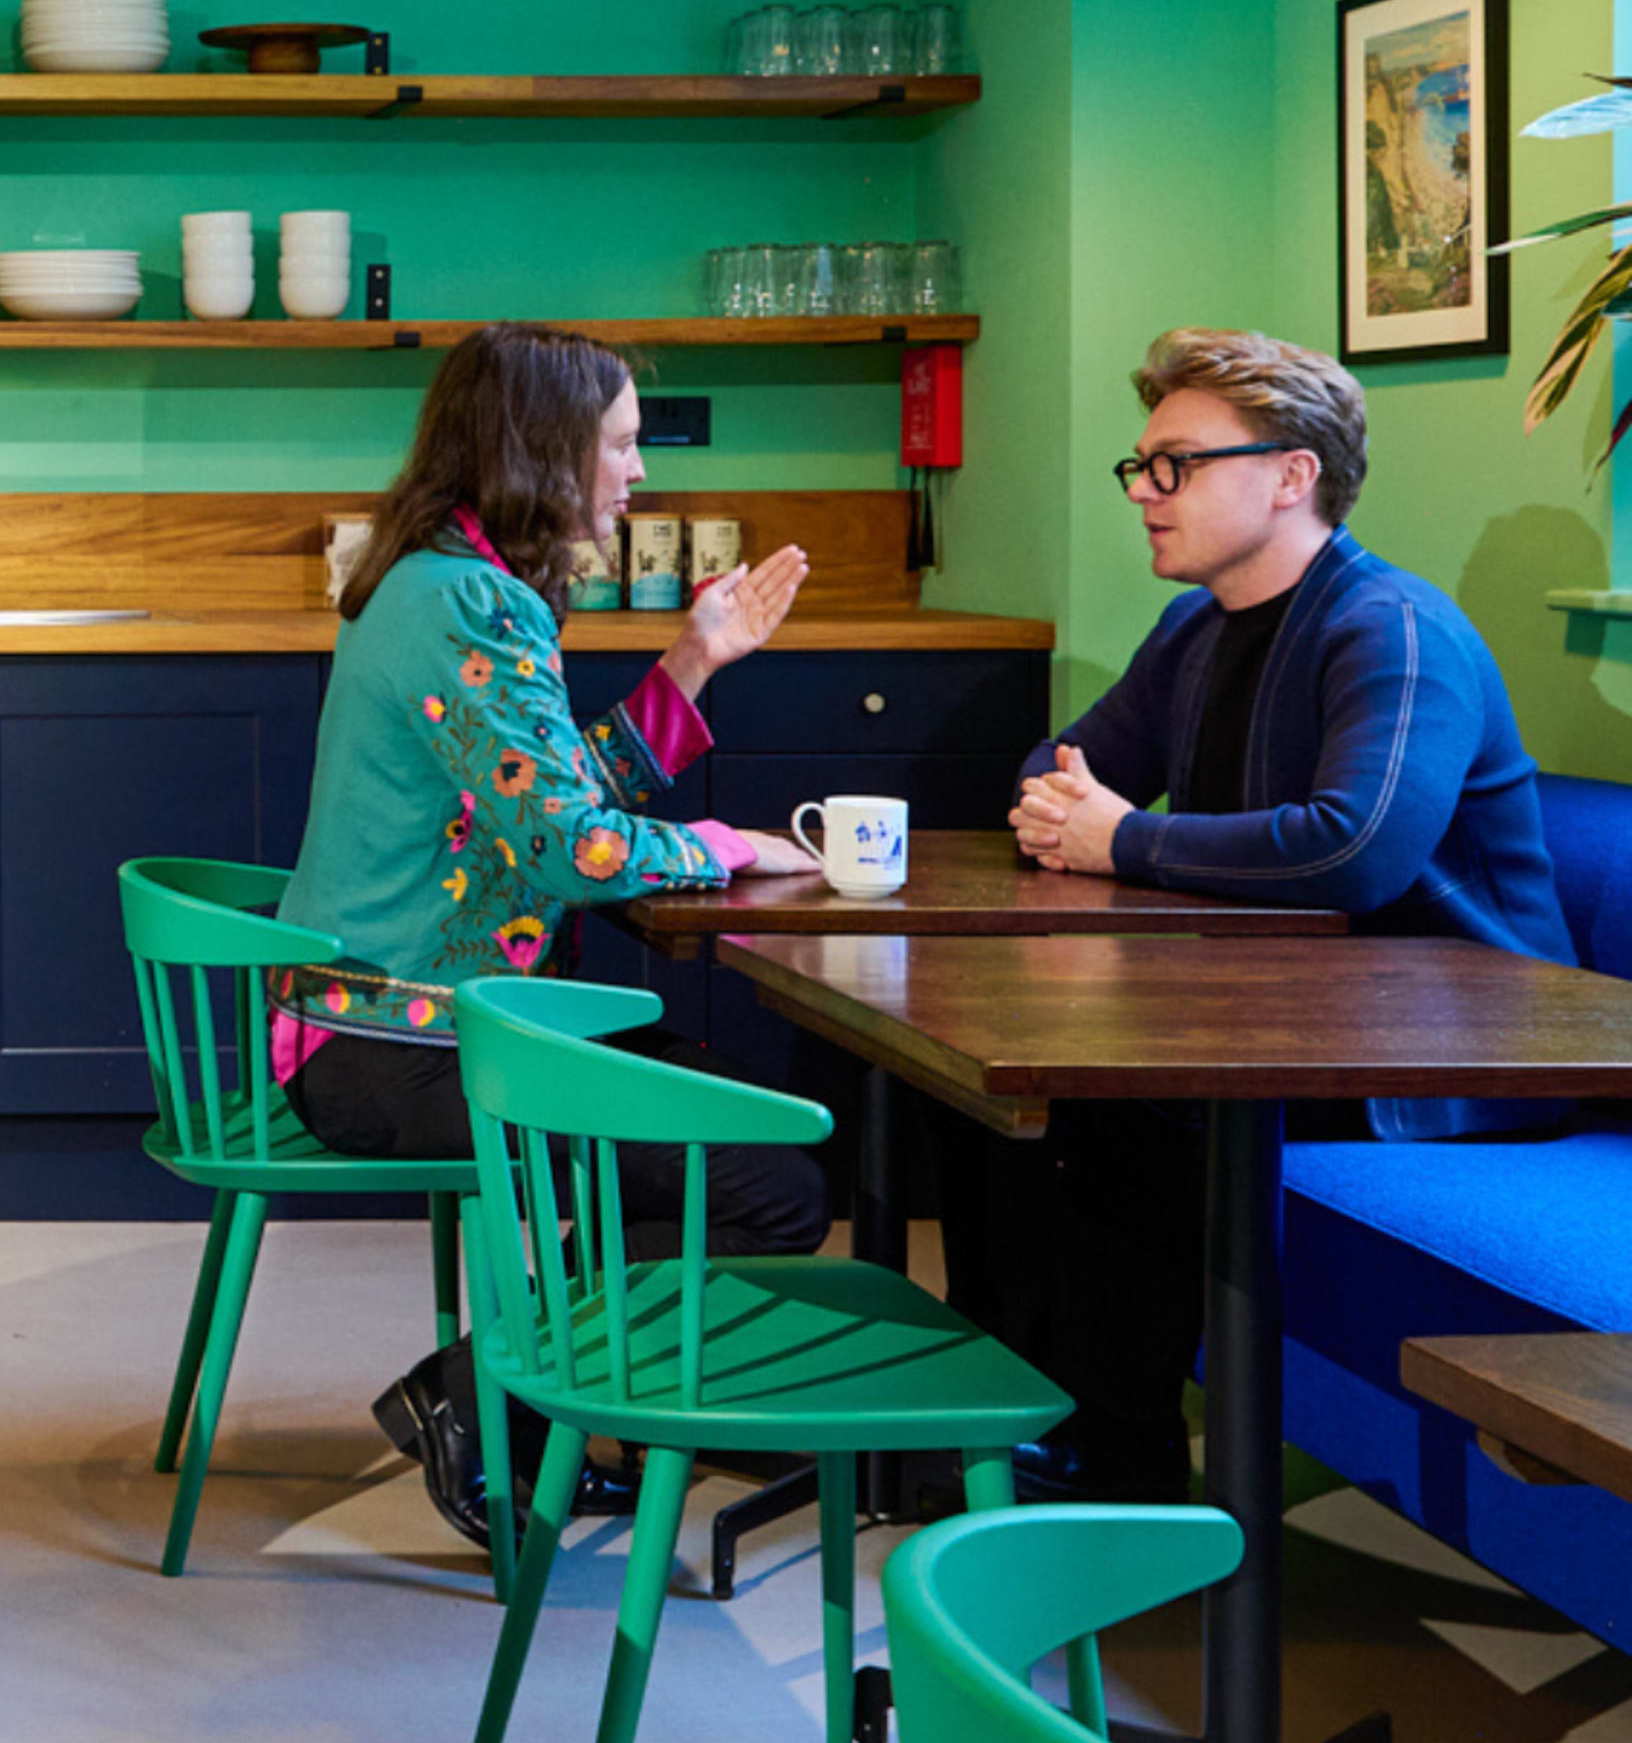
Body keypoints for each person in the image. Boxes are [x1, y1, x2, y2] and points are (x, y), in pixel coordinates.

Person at [960, 326, 1569, 1499]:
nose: (1145, 491)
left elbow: (1356, 849)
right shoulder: (1197, 625)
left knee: (1141, 1117)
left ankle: (1113, 1455)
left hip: (1460, 1041)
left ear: (1293, 475)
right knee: (995, 1091)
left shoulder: (1393, 628)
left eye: (1175, 463)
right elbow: (1068, 764)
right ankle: (1016, 1403)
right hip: (1287, 1017)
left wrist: (1121, 838)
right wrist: (1072, 808)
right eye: (1141, 465)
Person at [272, 323, 824, 1549]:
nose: (638, 473)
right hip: (397, 1048)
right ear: (542, 450)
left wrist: (695, 657)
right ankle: (490, 1392)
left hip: (373, 1024)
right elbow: (576, 849)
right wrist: (729, 847)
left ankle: (517, 1393)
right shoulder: (475, 602)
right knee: (769, 1183)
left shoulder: (437, 579)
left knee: (705, 1133)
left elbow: (547, 799)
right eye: (620, 445)